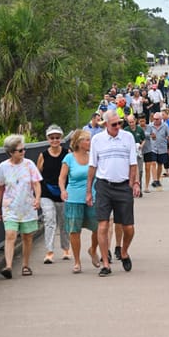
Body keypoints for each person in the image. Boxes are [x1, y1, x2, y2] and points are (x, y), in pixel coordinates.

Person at [86, 110, 140, 276]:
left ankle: (123, 251)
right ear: (106, 125)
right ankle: (106, 263)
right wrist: (89, 190)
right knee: (103, 225)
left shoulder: (127, 137)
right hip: (104, 185)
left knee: (128, 227)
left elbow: (133, 163)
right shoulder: (97, 140)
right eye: (114, 124)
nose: (118, 127)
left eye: (119, 123)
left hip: (123, 185)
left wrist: (134, 183)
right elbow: (93, 165)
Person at [0, 135, 41, 278]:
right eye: (20, 150)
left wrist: (37, 198)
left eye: (24, 149)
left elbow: (36, 183)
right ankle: (8, 266)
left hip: (27, 206)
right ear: (11, 152)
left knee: (27, 236)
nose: (23, 152)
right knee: (10, 235)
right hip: (10, 207)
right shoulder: (3, 167)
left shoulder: (29, 164)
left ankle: (26, 265)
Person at [59, 129, 100, 273]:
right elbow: (62, 178)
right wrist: (63, 190)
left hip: (92, 197)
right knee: (74, 230)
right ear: (79, 142)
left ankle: (93, 249)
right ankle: (77, 261)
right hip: (74, 198)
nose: (90, 142)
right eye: (87, 140)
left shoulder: (93, 157)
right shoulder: (69, 158)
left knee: (98, 227)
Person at [36, 124, 72, 264]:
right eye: (52, 138)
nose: (55, 140)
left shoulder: (66, 154)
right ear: (48, 139)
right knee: (49, 220)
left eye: (57, 138)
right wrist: (37, 195)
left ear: (61, 138)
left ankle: (66, 249)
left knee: (64, 222)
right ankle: (49, 251)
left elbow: (71, 172)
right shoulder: (43, 155)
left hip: (63, 192)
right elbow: (38, 176)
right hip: (47, 192)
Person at [145, 111, 169, 189]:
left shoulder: (165, 126)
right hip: (152, 148)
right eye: (154, 119)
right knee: (153, 163)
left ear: (160, 119)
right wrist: (150, 135)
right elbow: (146, 134)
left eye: (157, 119)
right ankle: (155, 180)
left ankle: (158, 179)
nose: (155, 120)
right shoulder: (150, 126)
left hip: (162, 148)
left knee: (160, 164)